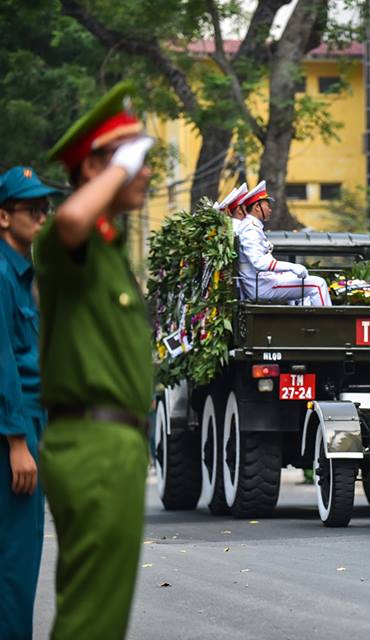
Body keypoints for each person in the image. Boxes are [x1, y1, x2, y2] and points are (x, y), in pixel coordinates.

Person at [36, 81, 155, 639]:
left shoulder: (106, 253)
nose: (146, 169)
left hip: (114, 446)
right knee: (92, 622)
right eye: (133, 157)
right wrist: (116, 169)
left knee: (96, 617)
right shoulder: (69, 243)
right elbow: (69, 220)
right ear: (94, 169)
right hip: (94, 444)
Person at [0, 166, 60, 640]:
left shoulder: (20, 274)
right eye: (31, 209)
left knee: (19, 559)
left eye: (46, 207)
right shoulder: (2, 274)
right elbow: (3, 362)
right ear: (4, 216)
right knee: (15, 565)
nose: (42, 216)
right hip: (11, 435)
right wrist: (18, 440)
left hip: (28, 424)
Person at [237, 180, 331, 306]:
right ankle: (328, 325)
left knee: (302, 280)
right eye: (267, 205)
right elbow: (259, 262)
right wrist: (292, 266)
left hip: (265, 282)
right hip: (263, 287)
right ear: (257, 207)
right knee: (318, 284)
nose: (270, 209)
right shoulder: (249, 229)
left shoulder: (252, 227)